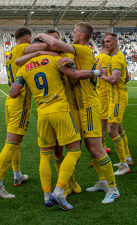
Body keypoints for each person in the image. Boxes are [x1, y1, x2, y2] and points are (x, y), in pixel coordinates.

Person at [34, 23, 121, 204]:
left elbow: (60, 51)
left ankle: (113, 189)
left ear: (81, 35)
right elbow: (73, 79)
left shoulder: (82, 49)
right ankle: (101, 182)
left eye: (73, 32)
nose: (71, 35)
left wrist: (41, 34)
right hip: (75, 107)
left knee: (96, 148)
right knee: (86, 148)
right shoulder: (75, 54)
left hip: (88, 106)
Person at [9, 52, 81, 210]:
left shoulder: (23, 68)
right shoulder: (54, 59)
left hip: (42, 114)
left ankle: (47, 196)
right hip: (60, 110)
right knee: (75, 151)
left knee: (44, 156)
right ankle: (60, 190)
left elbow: (13, 93)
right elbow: (74, 76)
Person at [0, 27, 47, 199]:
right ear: (27, 38)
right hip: (20, 102)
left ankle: (17, 176)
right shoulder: (23, 48)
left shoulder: (11, 53)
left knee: (16, 143)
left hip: (11, 101)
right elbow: (39, 48)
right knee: (12, 143)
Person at [99, 33, 133, 172]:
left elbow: (114, 79)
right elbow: (127, 78)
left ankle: (123, 164)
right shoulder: (114, 57)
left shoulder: (117, 58)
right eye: (104, 42)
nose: (106, 44)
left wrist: (101, 75)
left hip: (118, 98)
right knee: (119, 129)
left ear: (115, 42)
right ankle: (127, 158)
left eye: (108, 41)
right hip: (114, 96)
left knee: (111, 130)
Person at [95, 39, 112, 154]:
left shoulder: (96, 57)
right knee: (103, 125)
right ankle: (100, 150)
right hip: (105, 93)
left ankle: (103, 147)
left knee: (101, 123)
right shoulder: (107, 58)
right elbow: (104, 75)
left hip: (97, 91)